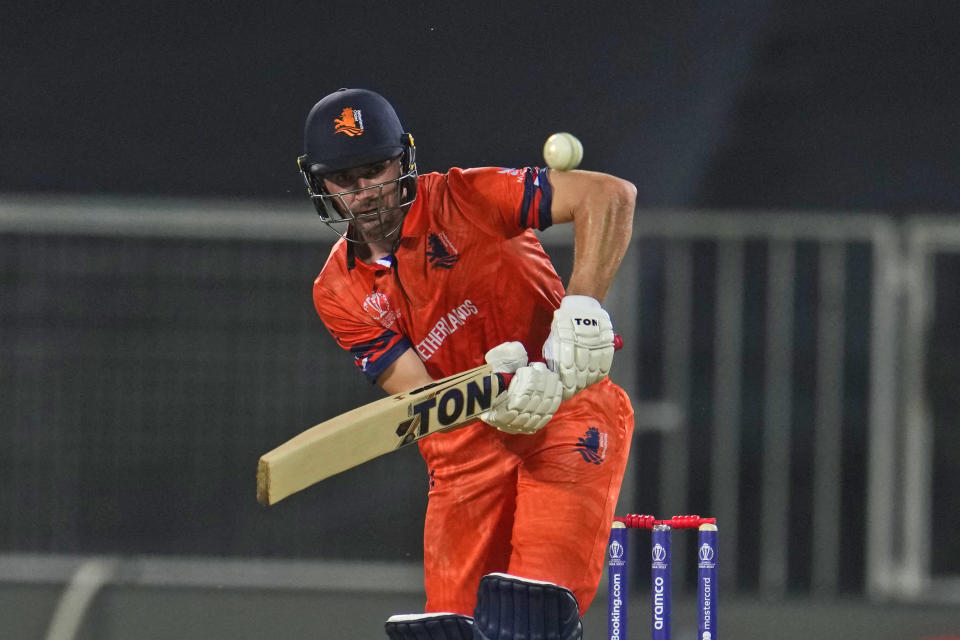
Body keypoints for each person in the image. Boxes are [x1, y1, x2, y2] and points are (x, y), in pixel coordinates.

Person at [298, 88, 636, 640]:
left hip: (566, 413)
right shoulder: (336, 291)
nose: (365, 191)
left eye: (376, 169)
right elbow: (421, 396)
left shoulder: (467, 197)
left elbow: (609, 195)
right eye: (344, 178)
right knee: (451, 632)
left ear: (403, 161)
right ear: (320, 184)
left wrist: (581, 305)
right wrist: (493, 394)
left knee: (530, 618)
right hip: (462, 458)